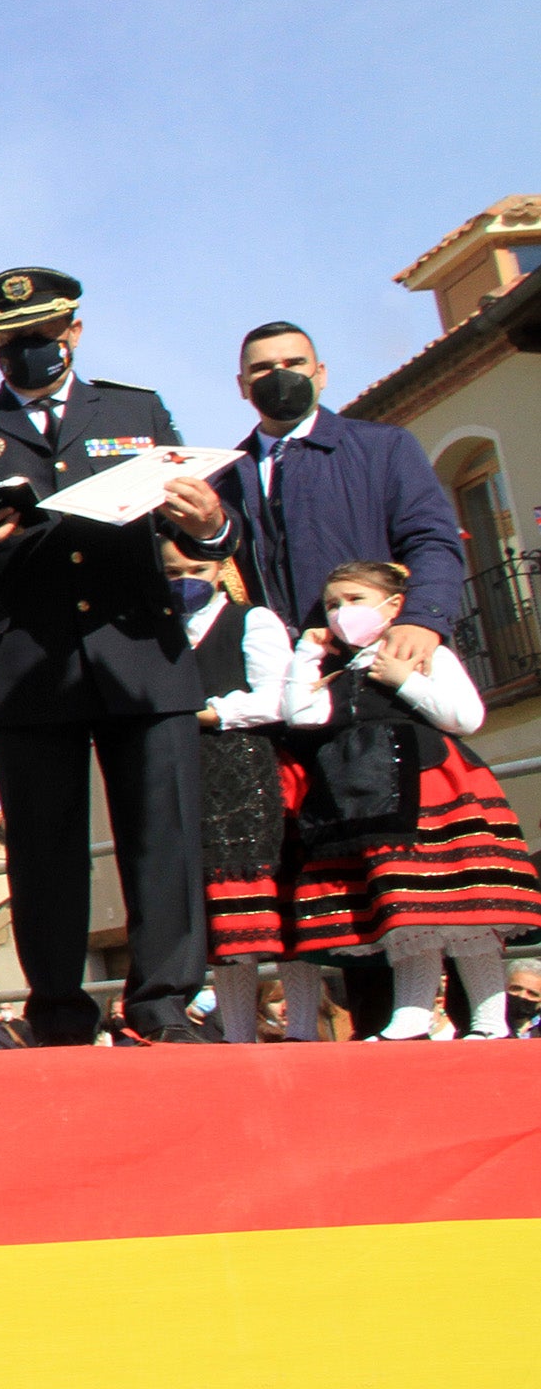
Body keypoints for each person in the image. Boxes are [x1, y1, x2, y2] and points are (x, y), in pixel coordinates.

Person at [0, 268, 236, 1046]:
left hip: (139, 654)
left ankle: (160, 1005)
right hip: (27, 664)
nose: (31, 352)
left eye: (44, 338)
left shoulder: (134, 409)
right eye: (14, 342)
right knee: (43, 850)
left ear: (74, 333)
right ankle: (56, 1009)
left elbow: (208, 530)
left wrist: (209, 519)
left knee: (164, 836)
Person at [213, 320, 471, 1039]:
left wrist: (421, 619)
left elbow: (429, 536)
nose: (278, 374)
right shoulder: (222, 476)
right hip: (288, 698)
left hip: (379, 683)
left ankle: (433, 1023)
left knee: (400, 857)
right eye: (261, 367)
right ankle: (367, 1032)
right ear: (241, 385)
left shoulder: (379, 448)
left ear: (321, 372)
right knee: (323, 871)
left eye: (292, 362)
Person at [280, 560, 541, 1040]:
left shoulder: (426, 654)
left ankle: (489, 1021)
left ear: (393, 604)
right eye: (335, 604)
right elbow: (300, 715)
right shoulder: (340, 670)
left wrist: (403, 678)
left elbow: (466, 716)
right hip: (373, 799)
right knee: (406, 907)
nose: (342, 612)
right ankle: (412, 1014)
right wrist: (305, 654)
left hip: (434, 786)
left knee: (467, 907)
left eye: (355, 600)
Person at [157, 543, 299, 1042]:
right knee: (222, 920)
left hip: (248, 769)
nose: (186, 579)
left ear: (220, 571)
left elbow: (278, 696)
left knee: (271, 902)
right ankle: (237, 1034)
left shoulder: (251, 621)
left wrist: (210, 714)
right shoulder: (156, 629)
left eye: (197, 569)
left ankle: (301, 1025)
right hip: (184, 774)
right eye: (173, 571)